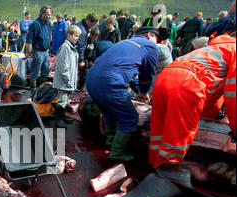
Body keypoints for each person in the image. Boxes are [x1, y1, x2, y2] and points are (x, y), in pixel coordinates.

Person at [149, 34, 236, 169]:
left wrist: (204, 122)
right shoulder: (234, 51)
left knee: (159, 130)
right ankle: (166, 173)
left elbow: (216, 97)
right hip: (188, 82)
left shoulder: (216, 49)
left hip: (166, 76)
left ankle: (152, 165)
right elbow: (233, 94)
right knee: (176, 140)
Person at [86, 26, 159, 162]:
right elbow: (147, 75)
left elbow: (127, 72)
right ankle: (117, 152)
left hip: (91, 79)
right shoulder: (150, 46)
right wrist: (143, 92)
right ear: (149, 35)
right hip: (110, 82)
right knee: (130, 118)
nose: (157, 43)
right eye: (157, 39)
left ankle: (110, 141)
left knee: (109, 113)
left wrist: (138, 91)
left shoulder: (125, 42)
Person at [51, 25, 81, 128]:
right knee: (62, 100)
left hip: (68, 80)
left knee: (65, 99)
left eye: (78, 36)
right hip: (64, 81)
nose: (77, 38)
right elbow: (63, 66)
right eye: (76, 36)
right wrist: (68, 79)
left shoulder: (71, 47)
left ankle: (62, 117)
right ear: (69, 35)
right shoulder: (65, 47)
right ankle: (58, 120)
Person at [25, 5, 53, 93]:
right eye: (48, 14)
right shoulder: (35, 24)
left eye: (50, 14)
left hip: (46, 51)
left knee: (45, 71)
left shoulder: (48, 23)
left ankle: (41, 89)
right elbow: (29, 40)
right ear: (42, 14)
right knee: (35, 72)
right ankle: (33, 90)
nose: (50, 16)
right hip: (38, 52)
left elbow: (49, 35)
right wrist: (28, 53)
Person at [76, 12, 98, 91]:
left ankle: (79, 86)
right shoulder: (83, 30)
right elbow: (81, 47)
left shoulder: (83, 28)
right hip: (79, 55)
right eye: (92, 25)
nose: (92, 27)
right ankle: (78, 87)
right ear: (89, 21)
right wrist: (81, 60)